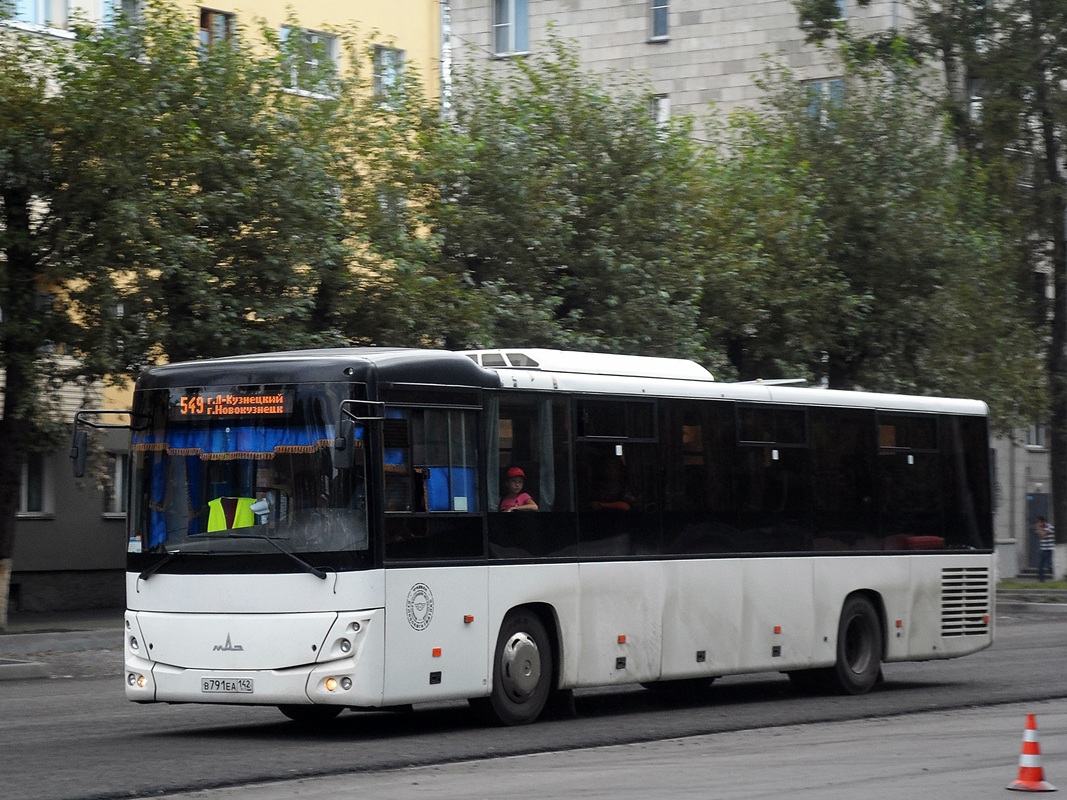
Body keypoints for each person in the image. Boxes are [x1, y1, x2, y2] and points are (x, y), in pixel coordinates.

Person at [1037, 515, 1056, 582]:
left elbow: (1042, 534)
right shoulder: (1042, 528)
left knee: (1049, 565)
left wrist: (1039, 528)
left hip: (1048, 549)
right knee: (1040, 565)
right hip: (1043, 549)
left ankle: (1054, 574)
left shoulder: (1049, 527)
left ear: (1043, 522)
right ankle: (1041, 580)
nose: (1038, 524)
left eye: (1039, 522)